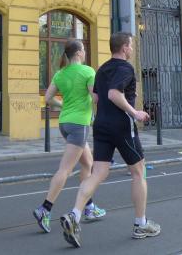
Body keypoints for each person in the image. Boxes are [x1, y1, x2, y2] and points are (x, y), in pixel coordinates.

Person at [59, 32, 157, 248]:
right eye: (131, 45)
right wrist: (134, 112)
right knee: (138, 172)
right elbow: (113, 94)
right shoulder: (126, 68)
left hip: (101, 124)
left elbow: (95, 97)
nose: (132, 49)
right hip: (121, 125)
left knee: (98, 173)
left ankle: (75, 215)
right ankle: (140, 224)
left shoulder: (102, 69)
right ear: (124, 47)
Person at [33, 39, 105, 233]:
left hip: (64, 123)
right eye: (84, 49)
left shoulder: (60, 73)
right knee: (65, 169)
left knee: (88, 164)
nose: (85, 52)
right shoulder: (88, 71)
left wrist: (63, 105)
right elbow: (95, 98)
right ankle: (44, 209)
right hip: (79, 125)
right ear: (79, 52)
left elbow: (48, 98)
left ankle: (89, 206)